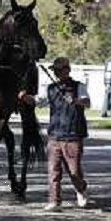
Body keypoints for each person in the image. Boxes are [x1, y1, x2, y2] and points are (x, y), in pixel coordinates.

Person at [44, 57, 90, 211]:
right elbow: (38, 101)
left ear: (67, 70)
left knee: (74, 171)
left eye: (59, 70)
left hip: (73, 135)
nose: (56, 73)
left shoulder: (79, 86)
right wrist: (25, 97)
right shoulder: (51, 88)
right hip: (54, 135)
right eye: (55, 70)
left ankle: (81, 188)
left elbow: (87, 102)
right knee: (53, 171)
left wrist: (76, 101)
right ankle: (54, 201)